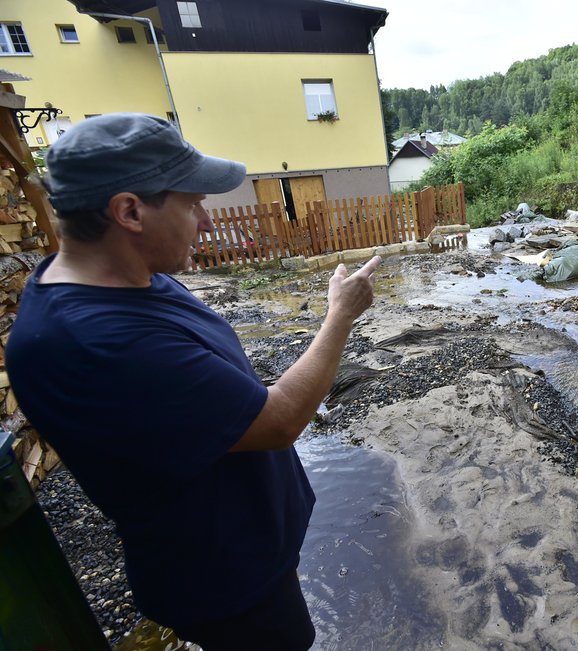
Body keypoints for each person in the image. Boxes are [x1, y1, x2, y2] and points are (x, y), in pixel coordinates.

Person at [6, 113, 381, 649]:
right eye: (191, 202)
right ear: (129, 211)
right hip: (227, 582)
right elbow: (276, 421)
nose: (206, 222)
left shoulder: (134, 278)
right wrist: (339, 316)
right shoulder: (97, 342)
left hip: (248, 552)